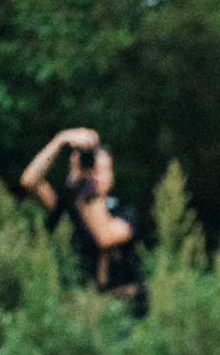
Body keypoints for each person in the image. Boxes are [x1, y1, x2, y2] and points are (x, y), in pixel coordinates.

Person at [18, 127, 145, 315]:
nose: (93, 174)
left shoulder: (124, 212)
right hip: (76, 310)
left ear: (112, 177)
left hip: (122, 310)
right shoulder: (63, 209)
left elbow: (105, 237)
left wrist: (88, 190)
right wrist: (60, 140)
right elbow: (29, 182)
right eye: (88, 168)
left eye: (100, 170)